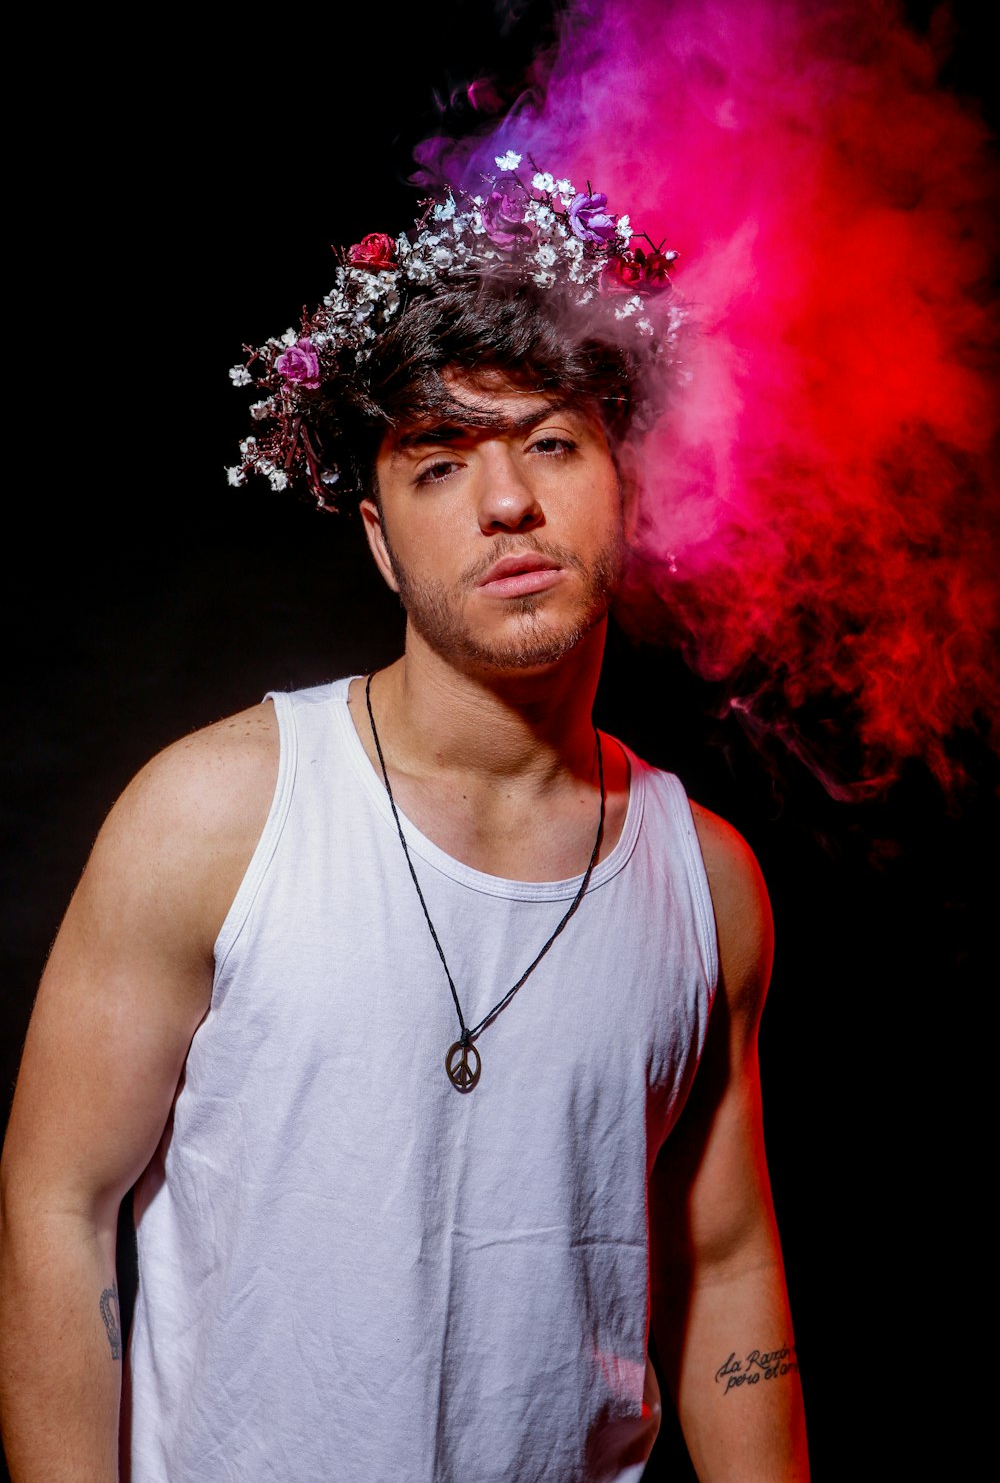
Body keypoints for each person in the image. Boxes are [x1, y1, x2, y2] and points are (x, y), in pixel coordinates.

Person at [0, 152, 809, 1480]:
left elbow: (723, 1270)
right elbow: (57, 1205)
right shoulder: (215, 814)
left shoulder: (706, 881)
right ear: (379, 536)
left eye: (552, 442)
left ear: (630, 488)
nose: (507, 502)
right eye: (441, 464)